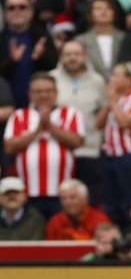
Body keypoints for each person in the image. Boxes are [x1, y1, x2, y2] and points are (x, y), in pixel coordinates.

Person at [3, 73, 85, 219]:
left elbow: (77, 141)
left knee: (58, 229)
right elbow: (10, 147)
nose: (43, 95)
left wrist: (50, 126)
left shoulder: (71, 113)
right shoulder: (19, 115)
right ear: (30, 94)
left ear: (56, 92)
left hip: (62, 193)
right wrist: (38, 129)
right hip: (27, 191)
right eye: (38, 91)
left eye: (48, 91)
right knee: (32, 229)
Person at [50, 40, 106, 207]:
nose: (72, 58)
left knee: (88, 199)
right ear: (61, 57)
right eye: (68, 54)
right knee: (62, 199)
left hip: (89, 149)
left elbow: (103, 112)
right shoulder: (51, 78)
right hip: (58, 150)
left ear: (85, 56)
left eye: (76, 54)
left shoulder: (97, 80)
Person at [96, 61, 131, 229]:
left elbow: (125, 122)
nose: (111, 79)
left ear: (130, 79)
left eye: (116, 75)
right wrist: (109, 103)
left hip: (129, 156)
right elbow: (98, 124)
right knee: (111, 203)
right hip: (109, 156)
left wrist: (112, 102)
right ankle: (115, 236)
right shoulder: (115, 100)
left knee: (129, 202)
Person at [46, 179, 112, 240]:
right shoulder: (55, 222)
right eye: (63, 198)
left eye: (73, 197)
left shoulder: (100, 221)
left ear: (86, 199)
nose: (67, 202)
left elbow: (107, 245)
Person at [0, 175, 46, 240]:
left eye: (16, 192)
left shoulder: (36, 220)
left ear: (24, 195)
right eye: (7, 193)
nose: (12, 196)